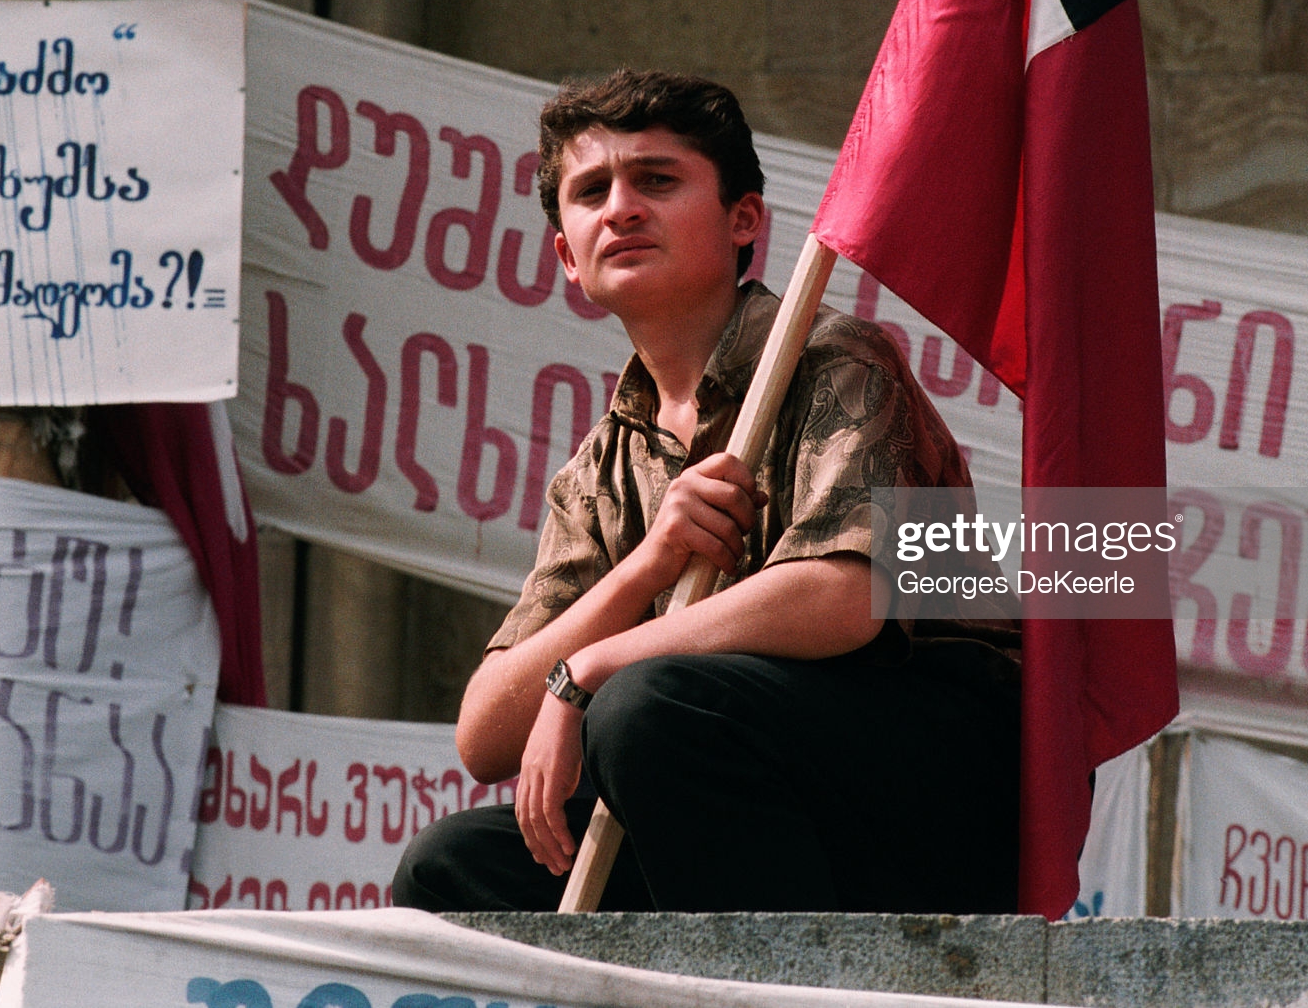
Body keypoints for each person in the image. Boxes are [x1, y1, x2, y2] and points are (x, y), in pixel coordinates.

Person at [391, 69, 1020, 913]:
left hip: (934, 785)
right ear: (567, 256)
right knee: (448, 867)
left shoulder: (838, 357)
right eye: (591, 192)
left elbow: (851, 595)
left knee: (642, 710)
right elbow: (486, 732)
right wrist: (647, 565)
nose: (620, 207)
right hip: (737, 811)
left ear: (744, 220)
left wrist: (590, 668)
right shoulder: (598, 468)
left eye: (656, 179)